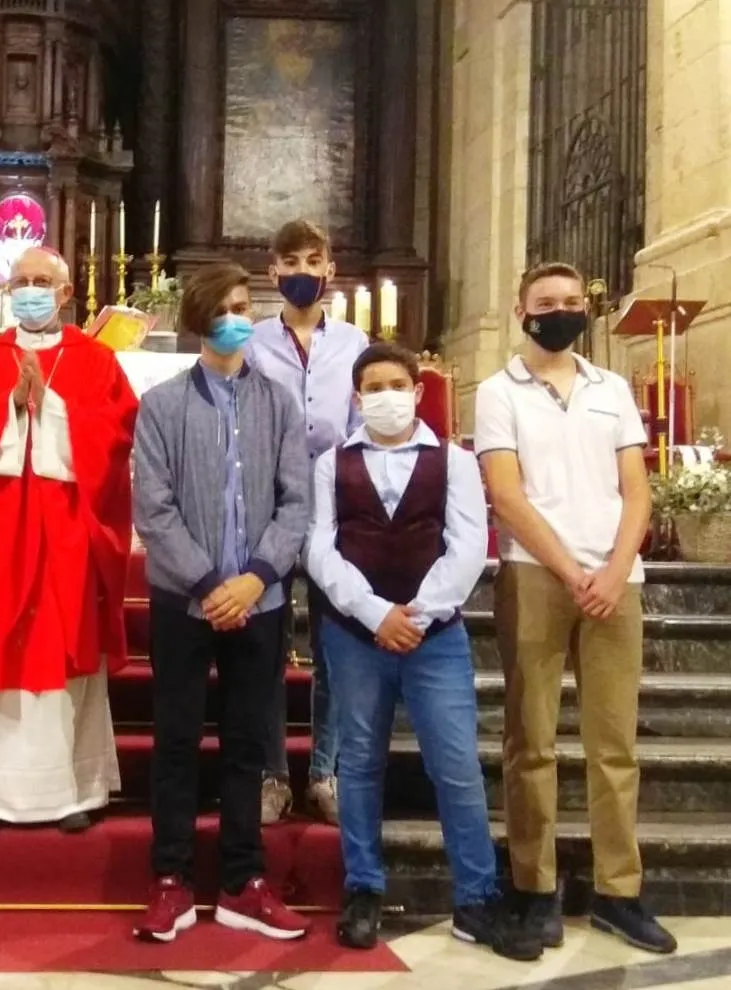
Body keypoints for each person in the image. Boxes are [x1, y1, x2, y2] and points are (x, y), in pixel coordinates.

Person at [310, 342, 538, 960]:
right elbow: (319, 548)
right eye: (373, 386)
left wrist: (419, 613)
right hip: (356, 634)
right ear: (357, 398)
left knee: (457, 765)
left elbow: (468, 544)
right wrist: (374, 612)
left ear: (417, 389)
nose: (385, 395)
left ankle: (476, 897)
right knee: (357, 764)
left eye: (397, 384)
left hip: (435, 638)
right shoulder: (334, 463)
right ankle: (363, 888)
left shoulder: (454, 461)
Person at [475, 262, 676, 954]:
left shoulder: (610, 388)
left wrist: (615, 570)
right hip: (535, 574)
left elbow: (637, 490)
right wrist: (569, 570)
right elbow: (505, 495)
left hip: (616, 578)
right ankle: (534, 890)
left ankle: (619, 891)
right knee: (530, 741)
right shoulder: (499, 392)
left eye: (569, 301)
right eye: (545, 302)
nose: (559, 311)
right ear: (520, 309)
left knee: (613, 745)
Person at [133, 260, 311, 943]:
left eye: (243, 306)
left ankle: (243, 881)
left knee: (247, 745)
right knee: (176, 742)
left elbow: (296, 501)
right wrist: (211, 584)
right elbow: (153, 509)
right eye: (223, 308)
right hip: (185, 602)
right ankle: (170, 881)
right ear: (198, 319)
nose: (236, 318)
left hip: (258, 603)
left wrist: (255, 578)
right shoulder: (163, 406)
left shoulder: (278, 403)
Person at [0, 247, 137, 836]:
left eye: (42, 281)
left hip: (64, 533)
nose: (30, 291)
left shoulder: (96, 362)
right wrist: (6, 406)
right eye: (20, 281)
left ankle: (69, 788)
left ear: (67, 293)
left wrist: (50, 407)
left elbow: (116, 435)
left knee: (59, 644)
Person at [245, 218, 369, 826]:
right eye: (289, 261)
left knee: (335, 644)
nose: (301, 272)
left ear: (330, 269)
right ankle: (272, 775)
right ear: (272, 271)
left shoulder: (353, 341)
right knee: (266, 644)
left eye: (312, 260)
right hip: (268, 501)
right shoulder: (250, 340)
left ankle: (326, 771)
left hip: (333, 502)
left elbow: (364, 418)